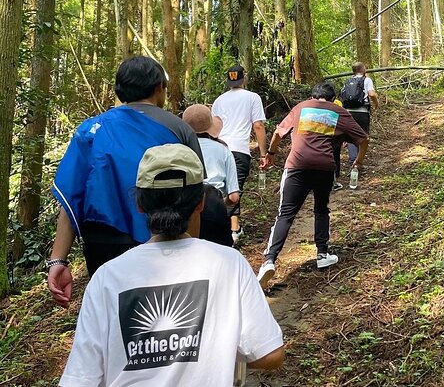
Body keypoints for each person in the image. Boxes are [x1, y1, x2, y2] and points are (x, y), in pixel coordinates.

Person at [59, 144, 285, 387]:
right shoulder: (229, 264)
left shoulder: (107, 277)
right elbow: (270, 354)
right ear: (200, 202)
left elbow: (80, 378)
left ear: (140, 204)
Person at [47, 56, 205, 308]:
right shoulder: (178, 129)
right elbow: (194, 194)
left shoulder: (90, 130)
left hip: (103, 247)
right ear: (158, 88)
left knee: (113, 317)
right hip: (165, 240)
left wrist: (58, 261)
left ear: (119, 90)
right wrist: (192, 251)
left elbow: (70, 199)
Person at [257, 82, 369, 289]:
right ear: (332, 97)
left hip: (296, 166)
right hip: (324, 168)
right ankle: (322, 254)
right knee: (321, 209)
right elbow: (363, 139)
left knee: (285, 214)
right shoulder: (338, 111)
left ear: (313, 96)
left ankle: (269, 261)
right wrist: (358, 162)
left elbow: (277, 133)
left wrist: (270, 155)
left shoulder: (301, 107)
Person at [211, 65, 268, 243]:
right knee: (234, 190)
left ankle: (233, 227)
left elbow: (214, 127)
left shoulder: (219, 100)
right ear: (244, 78)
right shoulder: (252, 98)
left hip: (220, 148)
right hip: (239, 150)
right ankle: (229, 232)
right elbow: (258, 125)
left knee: (223, 188)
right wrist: (263, 153)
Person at [183, 104, 240, 247]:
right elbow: (234, 197)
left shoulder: (180, 149)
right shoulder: (223, 150)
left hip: (184, 208)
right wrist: (221, 202)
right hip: (214, 207)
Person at [342, 62, 379, 166]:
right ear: (364, 70)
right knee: (363, 137)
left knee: (351, 136)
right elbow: (371, 94)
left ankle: (352, 161)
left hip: (348, 112)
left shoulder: (348, 81)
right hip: (362, 112)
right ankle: (357, 164)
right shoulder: (367, 80)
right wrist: (376, 103)